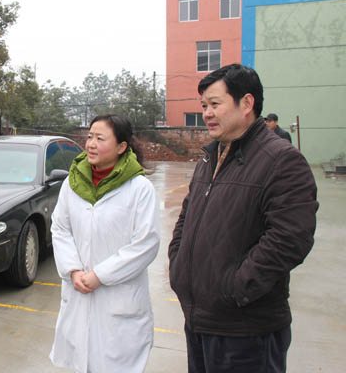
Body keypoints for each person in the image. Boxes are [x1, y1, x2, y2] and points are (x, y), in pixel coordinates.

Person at [169, 64, 318, 373]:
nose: (207, 114)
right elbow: (187, 217)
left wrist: (235, 289)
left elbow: (290, 238)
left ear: (247, 103)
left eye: (215, 104)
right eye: (204, 106)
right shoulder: (210, 158)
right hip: (200, 320)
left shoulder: (281, 160)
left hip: (246, 330)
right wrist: (178, 265)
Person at [49, 114, 160, 373]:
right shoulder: (72, 183)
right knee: (81, 362)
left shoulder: (139, 188)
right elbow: (60, 228)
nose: (91, 144)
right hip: (79, 291)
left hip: (119, 300)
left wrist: (100, 275)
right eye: (89, 137)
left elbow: (146, 243)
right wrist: (73, 270)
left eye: (100, 138)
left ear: (121, 147)